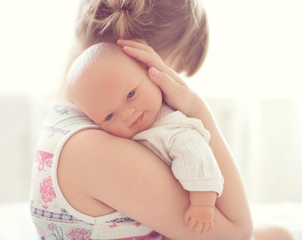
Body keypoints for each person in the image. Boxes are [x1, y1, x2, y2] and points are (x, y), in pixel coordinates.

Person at [30, 0, 293, 239]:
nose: (171, 96)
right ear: (142, 58)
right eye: (172, 74)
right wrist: (196, 108)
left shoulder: (69, 114)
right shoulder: (98, 152)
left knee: (277, 232)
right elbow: (237, 232)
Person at [67, 42, 224, 237]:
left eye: (131, 94)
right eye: (109, 116)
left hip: (197, 208)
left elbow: (199, 158)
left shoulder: (173, 129)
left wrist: (202, 205)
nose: (127, 114)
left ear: (150, 73)